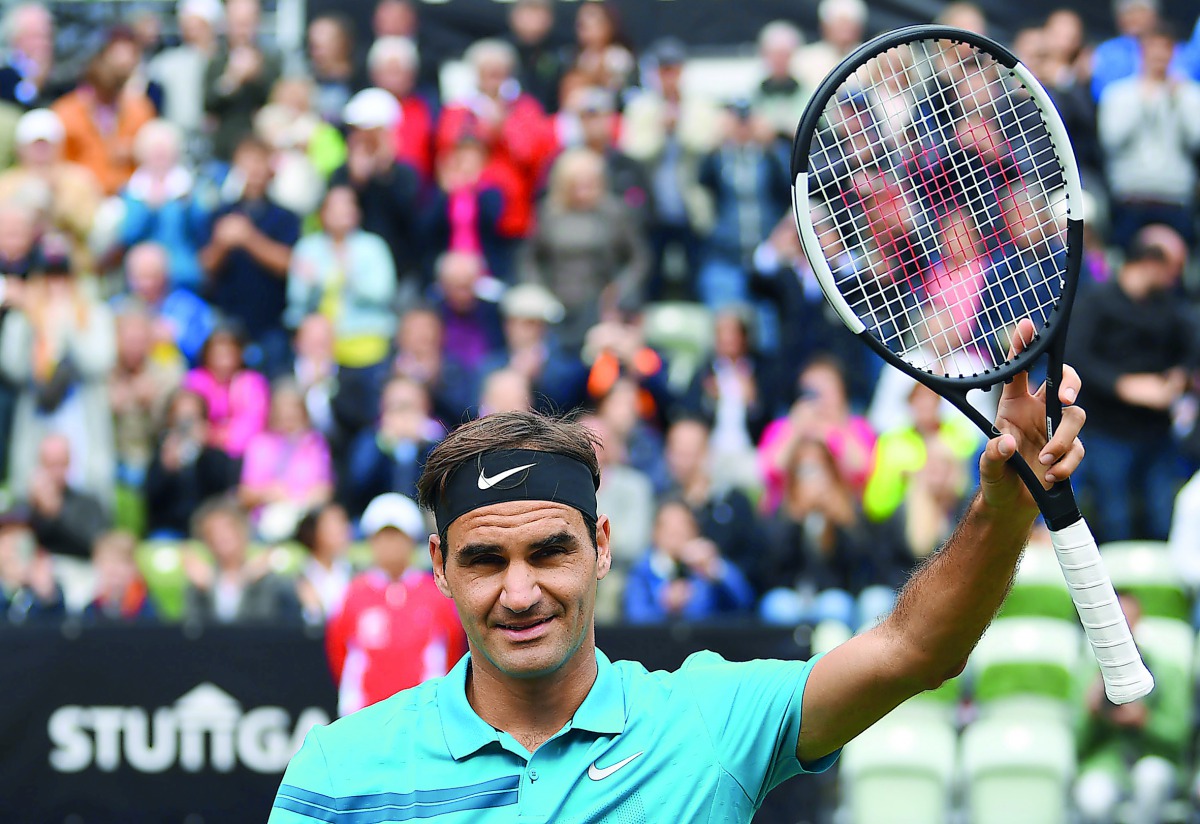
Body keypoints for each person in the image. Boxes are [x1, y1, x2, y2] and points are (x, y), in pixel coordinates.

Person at [269, 327, 1087, 820]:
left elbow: (915, 647)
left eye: (550, 551)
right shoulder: (337, 771)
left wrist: (1005, 504)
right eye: (486, 560)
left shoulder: (706, 719)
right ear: (441, 567)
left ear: (602, 546)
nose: (519, 593)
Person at [1066, 236, 1194, 541]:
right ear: (1151, 263)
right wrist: (1124, 385)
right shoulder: (1096, 302)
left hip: (1155, 431)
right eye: (1171, 269)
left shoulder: (1168, 307)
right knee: (1115, 517)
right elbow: (1075, 357)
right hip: (1108, 430)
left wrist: (1179, 377)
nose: (1175, 278)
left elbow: (1190, 350)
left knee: (1163, 516)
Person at [325, 492, 467, 717]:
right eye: (382, 537)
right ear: (371, 541)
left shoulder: (437, 594)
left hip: (424, 718)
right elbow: (338, 653)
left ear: (411, 540)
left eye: (397, 537)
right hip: (363, 717)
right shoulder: (352, 594)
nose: (389, 545)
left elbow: (453, 651)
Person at [199, 135, 300, 377]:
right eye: (247, 163)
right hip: (228, 322)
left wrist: (249, 239)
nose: (253, 170)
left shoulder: (285, 217)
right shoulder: (220, 213)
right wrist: (221, 244)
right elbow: (205, 266)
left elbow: (289, 263)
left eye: (259, 162)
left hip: (271, 324)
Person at [1097, 23, 1200, 249]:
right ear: (1142, 52)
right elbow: (1111, 139)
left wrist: (1179, 100)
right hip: (1131, 196)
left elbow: (1196, 140)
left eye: (1165, 49)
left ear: (1173, 53)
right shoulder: (1119, 94)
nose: (1159, 56)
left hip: (1175, 198)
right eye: (1153, 49)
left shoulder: (1189, 94)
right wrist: (1144, 99)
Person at [285, 185, 397, 372]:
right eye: (335, 205)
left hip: (367, 341)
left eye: (348, 204)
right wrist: (312, 284)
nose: (342, 211)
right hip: (319, 347)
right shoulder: (307, 248)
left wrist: (348, 275)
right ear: (322, 213)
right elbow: (297, 298)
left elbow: (384, 293)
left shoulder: (373, 247)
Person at [51, 28, 155, 196]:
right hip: (82, 196)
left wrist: (134, 150)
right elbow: (56, 164)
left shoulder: (139, 108)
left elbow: (155, 155)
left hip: (131, 193)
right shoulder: (65, 112)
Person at [623, 496, 756, 623]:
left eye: (682, 525)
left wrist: (715, 567)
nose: (676, 533)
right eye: (668, 527)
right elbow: (636, 617)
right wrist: (665, 605)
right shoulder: (642, 571)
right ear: (655, 533)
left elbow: (745, 602)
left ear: (694, 530)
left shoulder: (707, 567)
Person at [183, 496, 302, 625]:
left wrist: (246, 579)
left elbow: (266, 623)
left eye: (227, 530)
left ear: (242, 531)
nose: (220, 537)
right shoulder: (200, 582)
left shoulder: (265, 577)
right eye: (212, 533)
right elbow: (194, 629)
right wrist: (209, 588)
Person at [143, 388, 239, 538]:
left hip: (208, 531)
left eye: (192, 418)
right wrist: (166, 468)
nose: (186, 426)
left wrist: (204, 450)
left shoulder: (215, 457)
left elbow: (220, 495)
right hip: (170, 529)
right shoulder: (161, 454)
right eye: (180, 419)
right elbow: (150, 499)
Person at [182, 325, 269, 460]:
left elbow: (252, 426)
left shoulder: (251, 383)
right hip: (201, 452)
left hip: (240, 456)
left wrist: (215, 436)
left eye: (229, 353)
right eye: (217, 354)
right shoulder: (195, 381)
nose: (223, 360)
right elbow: (188, 419)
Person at [293, 501, 353, 624]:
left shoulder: (356, 574)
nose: (343, 531)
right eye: (334, 525)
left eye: (344, 523)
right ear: (314, 531)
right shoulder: (298, 578)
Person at [82, 529, 156, 622]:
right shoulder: (91, 610)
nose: (114, 570)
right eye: (108, 562)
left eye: (121, 563)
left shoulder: (144, 607)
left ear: (135, 568)